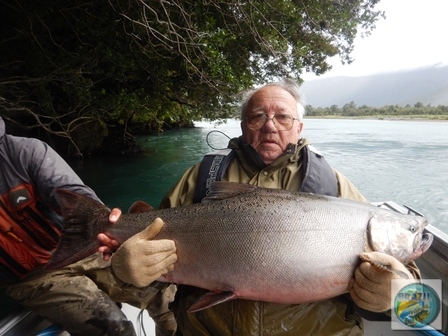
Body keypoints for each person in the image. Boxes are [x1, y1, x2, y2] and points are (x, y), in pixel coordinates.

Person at [102, 78, 420, 335]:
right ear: (243, 125)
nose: (270, 125)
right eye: (258, 116)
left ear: (299, 128)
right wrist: (125, 268)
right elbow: (148, 249)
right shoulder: (202, 176)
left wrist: (398, 293)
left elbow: (413, 293)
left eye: (282, 117)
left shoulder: (334, 187)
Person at [0, 116, 177, 336]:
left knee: (168, 296)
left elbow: (72, 192)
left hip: (83, 249)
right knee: (114, 328)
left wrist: (104, 224)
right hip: (34, 277)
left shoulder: (24, 151)